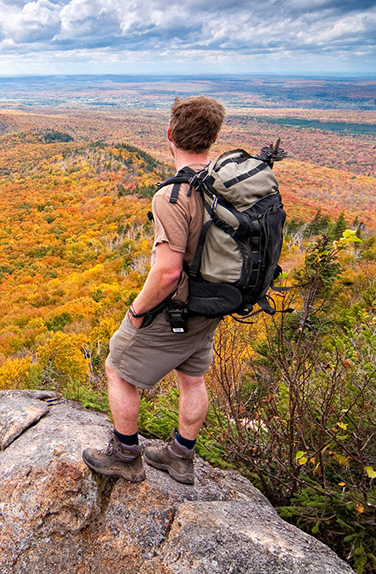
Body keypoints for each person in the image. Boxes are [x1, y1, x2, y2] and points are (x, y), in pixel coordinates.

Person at [82, 96, 226, 485]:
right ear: (214, 137)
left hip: (178, 307)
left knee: (117, 366)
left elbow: (166, 273)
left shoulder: (173, 196)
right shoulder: (227, 186)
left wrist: (136, 312)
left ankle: (126, 455)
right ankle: (180, 456)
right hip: (214, 305)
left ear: (169, 135)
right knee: (193, 379)